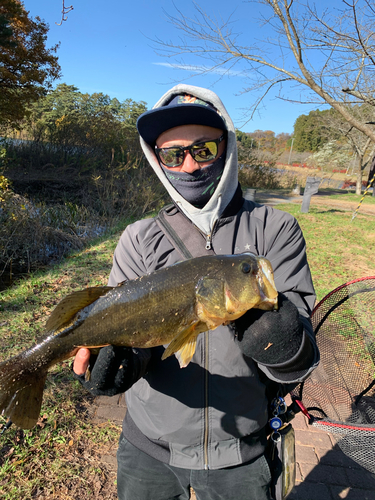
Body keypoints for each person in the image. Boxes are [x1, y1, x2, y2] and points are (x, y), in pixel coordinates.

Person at [73, 85, 319, 500]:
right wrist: (124, 362)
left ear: (227, 148)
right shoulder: (138, 237)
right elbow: (130, 329)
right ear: (157, 159)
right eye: (172, 155)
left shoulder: (275, 229)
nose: (189, 166)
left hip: (242, 451)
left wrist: (286, 345)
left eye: (203, 150)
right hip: (148, 449)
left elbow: (302, 358)